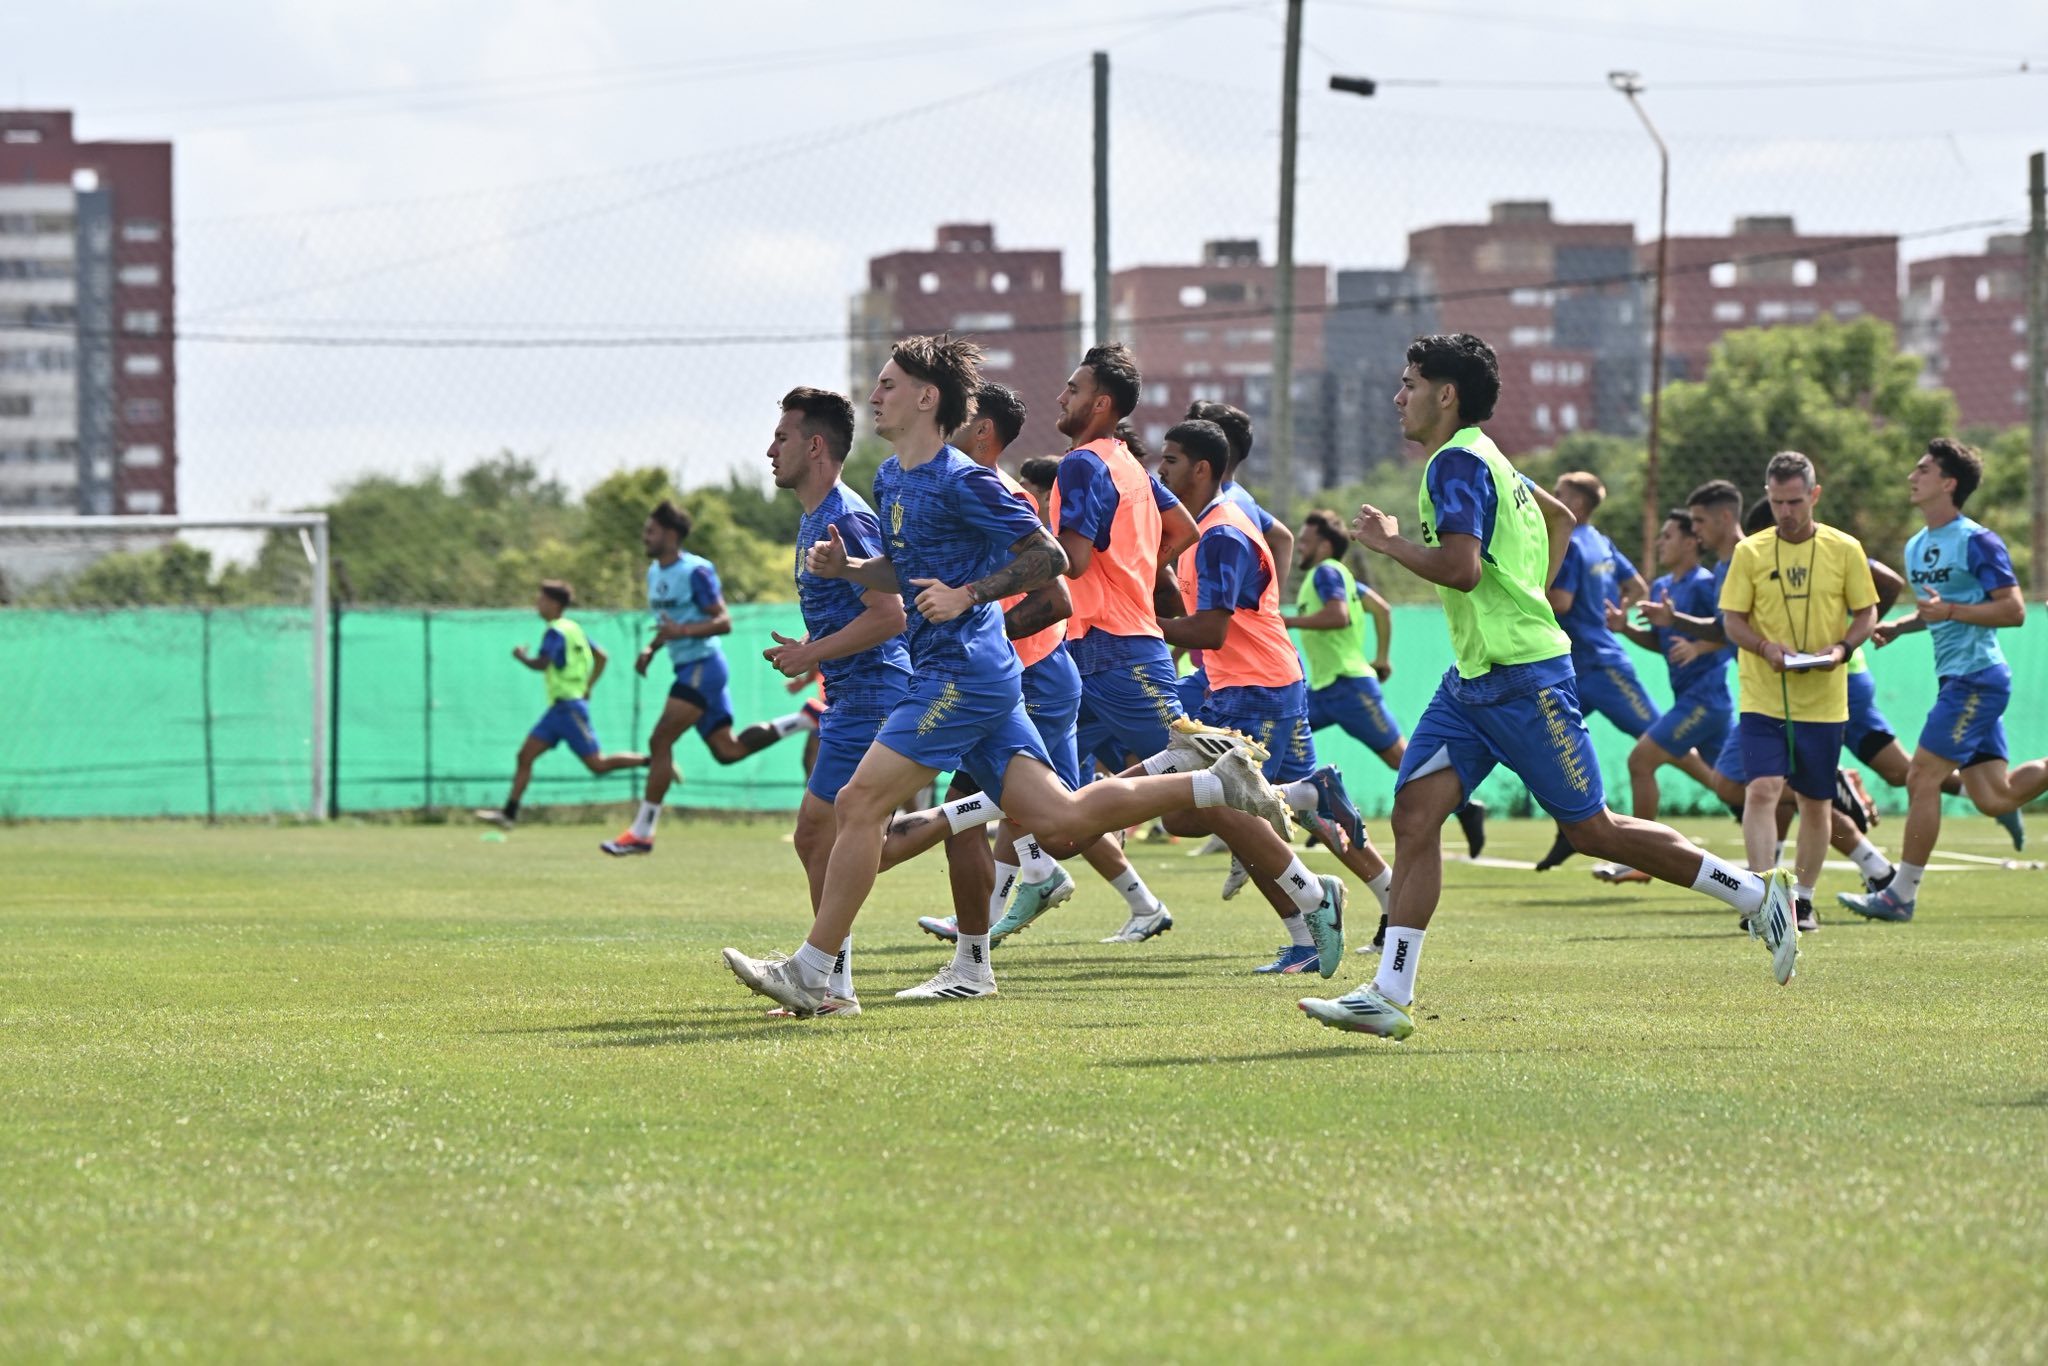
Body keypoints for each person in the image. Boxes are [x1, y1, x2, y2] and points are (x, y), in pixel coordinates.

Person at [720, 335, 1310, 1017]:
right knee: (1060, 820)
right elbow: (906, 574)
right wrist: (851, 570)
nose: (874, 396)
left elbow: (1051, 557)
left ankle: (816, 973)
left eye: (887, 384)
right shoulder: (891, 479)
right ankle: (1215, 782)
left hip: (961, 673)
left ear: (926, 398)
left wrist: (969, 594)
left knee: (856, 805)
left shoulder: (964, 479)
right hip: (974, 675)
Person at [1297, 334, 1794, 1040]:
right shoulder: (1489, 457)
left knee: (1593, 831)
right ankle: (1390, 991)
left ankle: (1753, 894)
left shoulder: (1456, 462)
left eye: (1410, 383)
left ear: (1447, 395)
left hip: (1525, 681)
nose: (1398, 397)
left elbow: (1462, 568)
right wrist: (1529, 593)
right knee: (1414, 816)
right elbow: (1560, 518)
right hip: (1473, 683)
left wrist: (1390, 543)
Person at [983, 346, 1351, 966]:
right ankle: (1000, 915)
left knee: (1211, 790)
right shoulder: (1129, 464)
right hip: (1088, 654)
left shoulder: (1083, 464)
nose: (1061, 398)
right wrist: (1136, 570)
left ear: (1101, 403)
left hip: (1119, 654)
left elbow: (1072, 561)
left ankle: (1311, 896)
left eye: (1073, 389)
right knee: (1045, 803)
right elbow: (1181, 530)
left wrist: (1002, 570)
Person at [914, 380, 1175, 950]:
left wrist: (980, 633)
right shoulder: (960, 489)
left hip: (1035, 674)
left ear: (983, 431)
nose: (944, 426)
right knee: (1055, 815)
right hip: (1025, 673)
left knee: (1027, 812)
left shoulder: (1005, 497)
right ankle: (1073, 890)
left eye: (958, 417)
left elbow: (1057, 597)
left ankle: (1225, 795)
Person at [1157, 418, 1394, 973]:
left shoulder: (1222, 527)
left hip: (1253, 687)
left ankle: (1307, 823)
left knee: (1216, 812)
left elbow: (1212, 628)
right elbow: (1276, 544)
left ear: (1204, 467)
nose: (1158, 471)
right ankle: (1381, 896)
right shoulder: (1210, 518)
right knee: (1260, 813)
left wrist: (1139, 627)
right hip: (1257, 679)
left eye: (1169, 460)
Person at [747, 386, 914, 1017]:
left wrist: (813, 654)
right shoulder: (814, 518)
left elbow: (891, 616)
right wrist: (811, 653)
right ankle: (830, 985)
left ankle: (826, 985)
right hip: (851, 695)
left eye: (782, 438)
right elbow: (852, 613)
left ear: (815, 446)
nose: (770, 450)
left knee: (826, 833)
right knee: (823, 836)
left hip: (875, 693)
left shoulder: (846, 518)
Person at [1840, 438, 2048, 922]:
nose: (1912, 476)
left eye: (1923, 470)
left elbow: (2013, 611)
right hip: (1956, 679)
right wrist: (1902, 625)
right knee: (1994, 797)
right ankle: (1900, 894)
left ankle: (1899, 895)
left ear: (1949, 483)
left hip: (1977, 679)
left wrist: (1949, 610)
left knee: (1921, 777)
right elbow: (1938, 611)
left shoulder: (1978, 540)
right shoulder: (1916, 546)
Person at [1718, 450, 1880, 940]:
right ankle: (1763, 895)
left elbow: (1866, 612)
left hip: (1825, 698)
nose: (1785, 512)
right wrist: (1764, 647)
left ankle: (1803, 900)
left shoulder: (1845, 548)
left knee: (1815, 801)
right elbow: (1733, 621)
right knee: (1762, 789)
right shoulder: (1750, 552)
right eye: (1776, 502)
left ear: (1814, 496)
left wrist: (1843, 649)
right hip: (1763, 694)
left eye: (1794, 501)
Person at [600, 501, 814, 856]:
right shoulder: (654, 573)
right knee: (727, 751)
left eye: (651, 531)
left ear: (671, 534)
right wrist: (652, 648)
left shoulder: (695, 571)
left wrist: (680, 632)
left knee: (659, 739)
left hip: (703, 667)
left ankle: (642, 832)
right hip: (688, 669)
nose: (645, 537)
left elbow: (723, 621)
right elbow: (670, 624)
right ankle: (803, 719)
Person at [1282, 507, 1489, 860]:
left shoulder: (1326, 573)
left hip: (1349, 688)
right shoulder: (1341, 578)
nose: (1300, 546)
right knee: (1282, 738)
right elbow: (1381, 608)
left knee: (1404, 761)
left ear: (1325, 545)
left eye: (1305, 540)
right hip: (1327, 688)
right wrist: (1382, 658)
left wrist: (1288, 622)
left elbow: (1338, 616)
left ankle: (1466, 808)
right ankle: (1326, 809)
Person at [1588, 510, 1731, 882]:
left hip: (1706, 700)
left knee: (1641, 761)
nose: (1659, 542)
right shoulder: (1663, 586)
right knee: (1736, 788)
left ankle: (1641, 860)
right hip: (1692, 701)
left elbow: (1730, 633)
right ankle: (1833, 798)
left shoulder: (1705, 583)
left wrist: (1699, 648)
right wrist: (1626, 629)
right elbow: (1661, 642)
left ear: (1691, 541)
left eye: (1668, 536)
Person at [1533, 471, 1659, 871]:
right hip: (1576, 667)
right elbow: (1638, 586)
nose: (1550, 498)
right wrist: (1618, 610)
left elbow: (1562, 603)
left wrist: (1523, 597)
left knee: (1664, 744)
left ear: (1577, 503)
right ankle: (1569, 830)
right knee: (1547, 743)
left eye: (1558, 493)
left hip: (1598, 664)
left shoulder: (1569, 542)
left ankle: (1732, 793)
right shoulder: (1601, 542)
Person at [473, 580, 647, 830]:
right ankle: (508, 815)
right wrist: (588, 685)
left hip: (570, 708)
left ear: (554, 604)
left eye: (542, 599)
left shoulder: (555, 631)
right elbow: (602, 656)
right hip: (559, 709)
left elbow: (542, 664)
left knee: (598, 765)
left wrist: (522, 657)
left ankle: (653, 762)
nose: (537, 603)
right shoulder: (573, 628)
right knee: (525, 756)